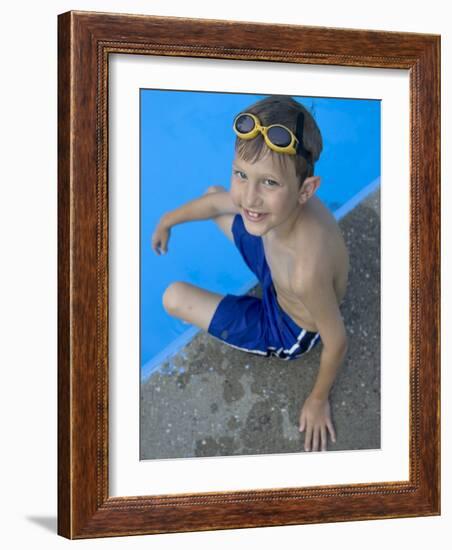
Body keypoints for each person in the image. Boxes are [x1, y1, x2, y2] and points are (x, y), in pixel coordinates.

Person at [151, 95, 349, 452]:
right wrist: (168, 221)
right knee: (215, 196)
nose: (250, 197)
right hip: (276, 261)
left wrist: (318, 400)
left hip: (287, 326)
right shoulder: (282, 208)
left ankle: (262, 333)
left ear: (307, 190)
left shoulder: (306, 272)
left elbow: (337, 341)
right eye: (242, 174)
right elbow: (218, 202)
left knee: (174, 297)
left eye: (269, 183)